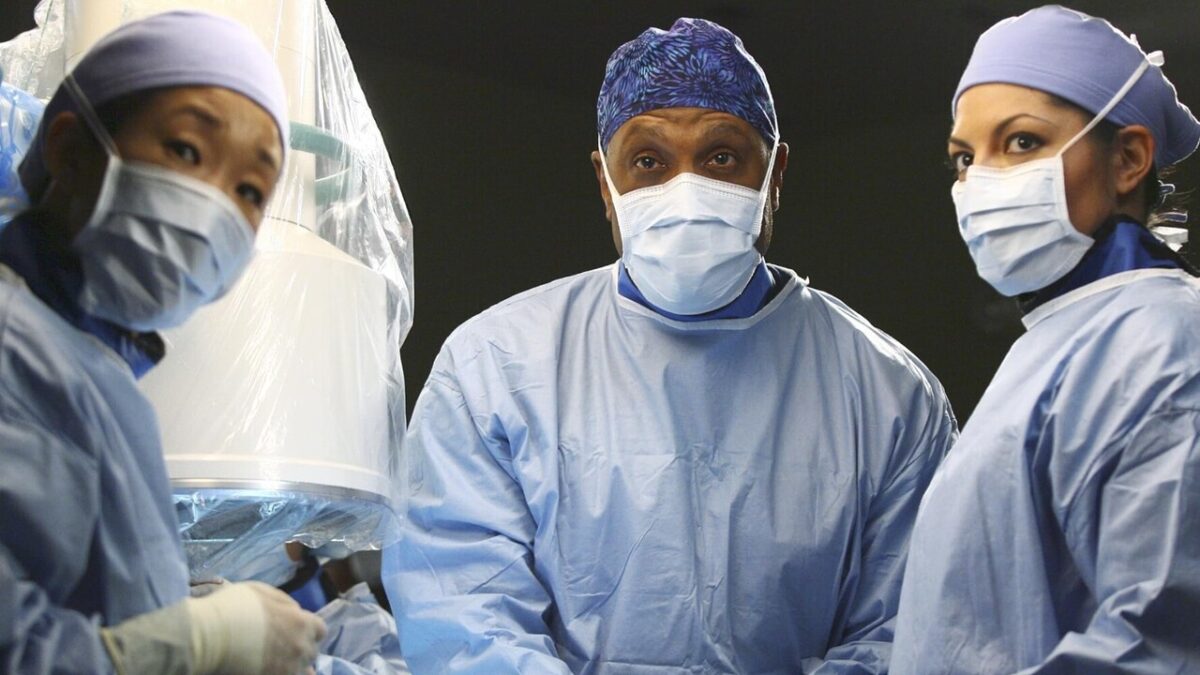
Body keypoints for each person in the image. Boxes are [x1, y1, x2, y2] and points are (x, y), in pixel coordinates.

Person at [385, 17, 957, 674]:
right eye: (649, 161)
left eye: (721, 158)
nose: (686, 190)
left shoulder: (889, 394)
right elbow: (463, 609)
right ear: (606, 184)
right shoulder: (496, 366)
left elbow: (911, 628)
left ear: (774, 174)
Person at [0, 11, 328, 675]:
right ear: (69, 148)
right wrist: (197, 641)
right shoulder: (18, 349)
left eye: (249, 190)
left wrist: (181, 615)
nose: (213, 208)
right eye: (185, 150)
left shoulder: (100, 378)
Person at [891, 6, 1200, 673]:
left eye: (1022, 141)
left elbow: (1159, 644)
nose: (979, 180)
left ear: (1129, 159)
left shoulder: (1166, 347)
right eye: (964, 157)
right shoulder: (1059, 341)